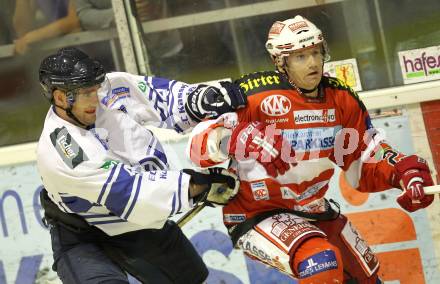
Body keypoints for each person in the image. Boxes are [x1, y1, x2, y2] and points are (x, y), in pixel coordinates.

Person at [187, 15, 436, 283]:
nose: (313, 63)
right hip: (256, 213)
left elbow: (362, 164)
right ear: (279, 61)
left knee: (367, 279)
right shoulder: (253, 96)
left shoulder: (341, 100)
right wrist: (234, 138)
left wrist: (400, 172)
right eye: (301, 56)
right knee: (322, 262)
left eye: (316, 52)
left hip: (314, 209)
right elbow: (198, 145)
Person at [36, 47, 245, 283]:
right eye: (86, 93)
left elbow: (160, 97)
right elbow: (129, 193)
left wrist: (203, 99)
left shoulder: (109, 90)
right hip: (84, 236)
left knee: (194, 279)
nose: (96, 98)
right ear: (61, 97)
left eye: (95, 89)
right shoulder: (62, 150)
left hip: (141, 226)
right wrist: (195, 186)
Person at [13, 0, 81, 54]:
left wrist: (38, 35)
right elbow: (22, 31)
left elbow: (75, 20)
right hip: (64, 54)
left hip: (86, 48)